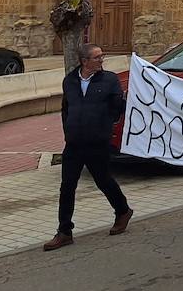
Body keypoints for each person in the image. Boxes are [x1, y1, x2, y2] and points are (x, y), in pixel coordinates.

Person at [45, 43, 132, 251]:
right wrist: (69, 129)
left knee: (103, 180)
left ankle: (122, 210)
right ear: (84, 61)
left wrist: (103, 126)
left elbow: (117, 107)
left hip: (97, 142)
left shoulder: (109, 80)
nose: (101, 60)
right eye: (97, 57)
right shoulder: (70, 81)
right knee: (67, 186)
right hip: (74, 143)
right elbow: (66, 108)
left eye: (102, 57)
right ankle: (64, 231)